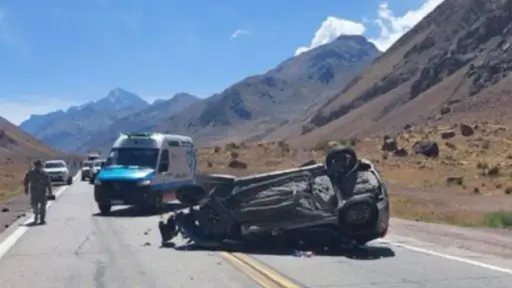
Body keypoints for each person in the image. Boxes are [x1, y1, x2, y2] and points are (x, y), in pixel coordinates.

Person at [24, 160, 52, 224]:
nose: (38, 167)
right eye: (37, 166)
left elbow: (48, 183)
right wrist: (26, 189)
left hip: (42, 193)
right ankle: (36, 216)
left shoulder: (45, 174)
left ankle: (42, 219)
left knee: (43, 207)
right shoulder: (31, 173)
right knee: (35, 207)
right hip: (34, 193)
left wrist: (50, 191)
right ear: (35, 166)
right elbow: (26, 181)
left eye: (40, 166)